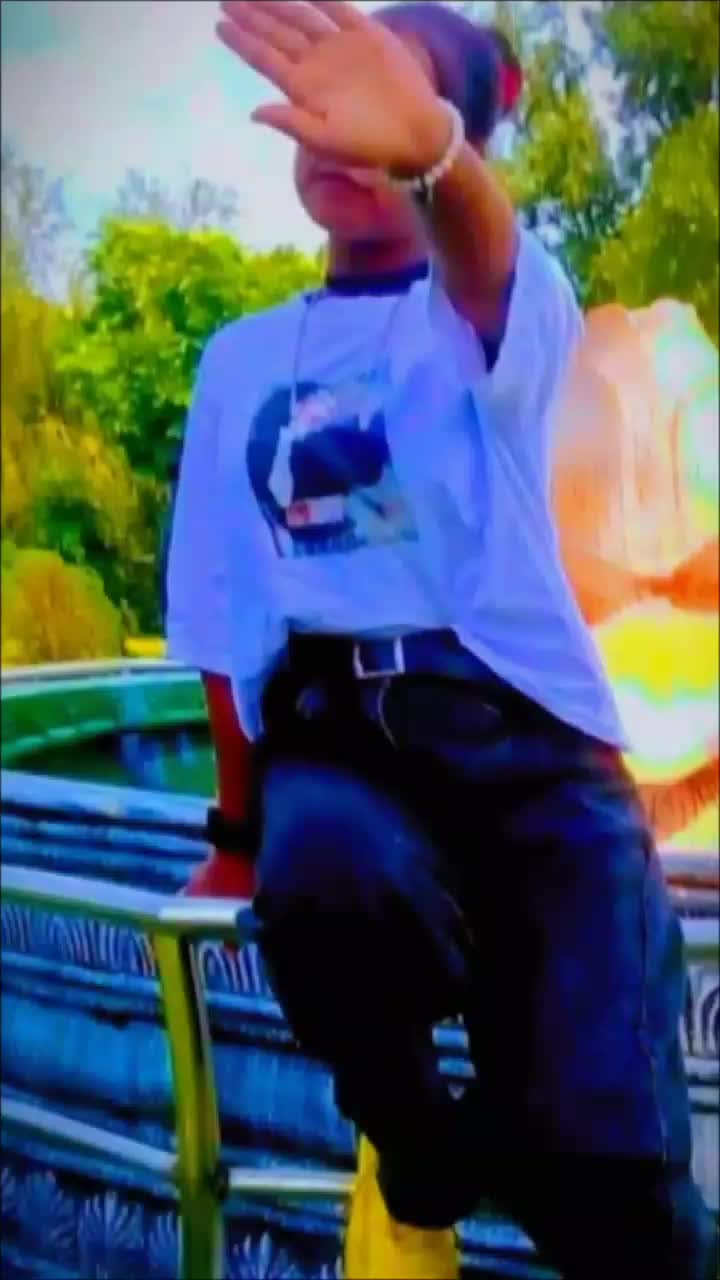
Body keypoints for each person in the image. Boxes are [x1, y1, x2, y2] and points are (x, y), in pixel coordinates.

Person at [166, 2, 717, 1276]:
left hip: (532, 754)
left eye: (383, 99)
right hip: (338, 740)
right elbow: (219, 618)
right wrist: (235, 835)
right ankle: (418, 1140)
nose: (338, 129)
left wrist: (433, 157)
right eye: (325, 98)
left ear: (450, 135)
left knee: (610, 1177)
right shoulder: (241, 361)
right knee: (326, 875)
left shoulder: (497, 305)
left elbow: (479, 244)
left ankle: (556, 1152)